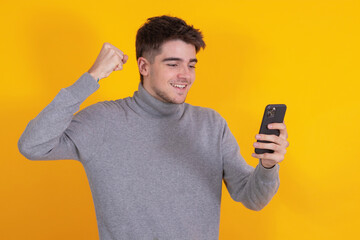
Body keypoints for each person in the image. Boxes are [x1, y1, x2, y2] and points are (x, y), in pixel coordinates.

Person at [18, 15, 289, 240]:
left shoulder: (211, 124)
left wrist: (267, 166)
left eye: (191, 65)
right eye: (173, 64)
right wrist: (91, 78)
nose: (186, 75)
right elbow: (32, 145)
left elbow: (252, 198)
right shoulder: (102, 121)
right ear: (144, 66)